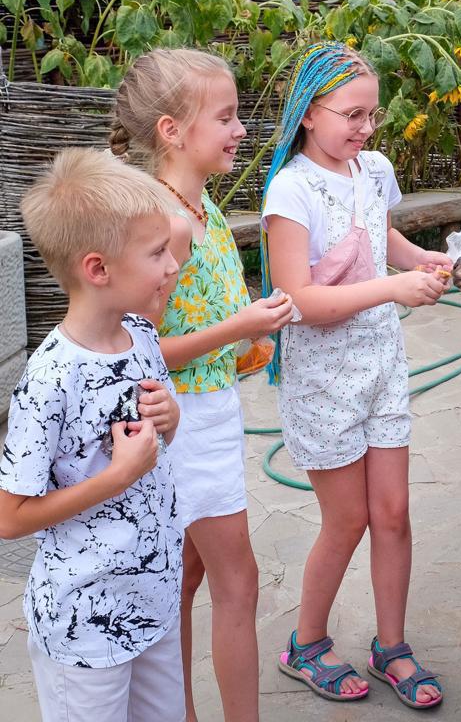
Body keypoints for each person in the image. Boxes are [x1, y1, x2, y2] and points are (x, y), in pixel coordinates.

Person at [261, 42, 450, 709]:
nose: (364, 128)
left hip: (380, 367)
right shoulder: (289, 190)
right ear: (308, 113)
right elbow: (300, 303)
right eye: (350, 114)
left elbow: (376, 235)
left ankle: (389, 647)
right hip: (322, 381)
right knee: (345, 522)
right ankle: (306, 643)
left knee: (392, 514)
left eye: (371, 115)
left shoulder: (372, 170)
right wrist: (394, 291)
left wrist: (415, 257)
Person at [110, 49, 293, 722]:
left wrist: (244, 340)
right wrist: (235, 327)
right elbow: (138, 350)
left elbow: (192, 320)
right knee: (237, 583)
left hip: (202, 410)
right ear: (171, 131)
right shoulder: (170, 222)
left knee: (184, 579)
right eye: (226, 116)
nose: (240, 128)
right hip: (185, 423)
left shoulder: (199, 205)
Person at [0, 148, 183, 722]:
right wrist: (118, 476)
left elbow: (157, 438)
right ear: (98, 269)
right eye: (157, 254)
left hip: (153, 601)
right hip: (85, 627)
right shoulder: (49, 378)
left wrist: (169, 418)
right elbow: (11, 516)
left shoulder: (141, 334)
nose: (173, 265)